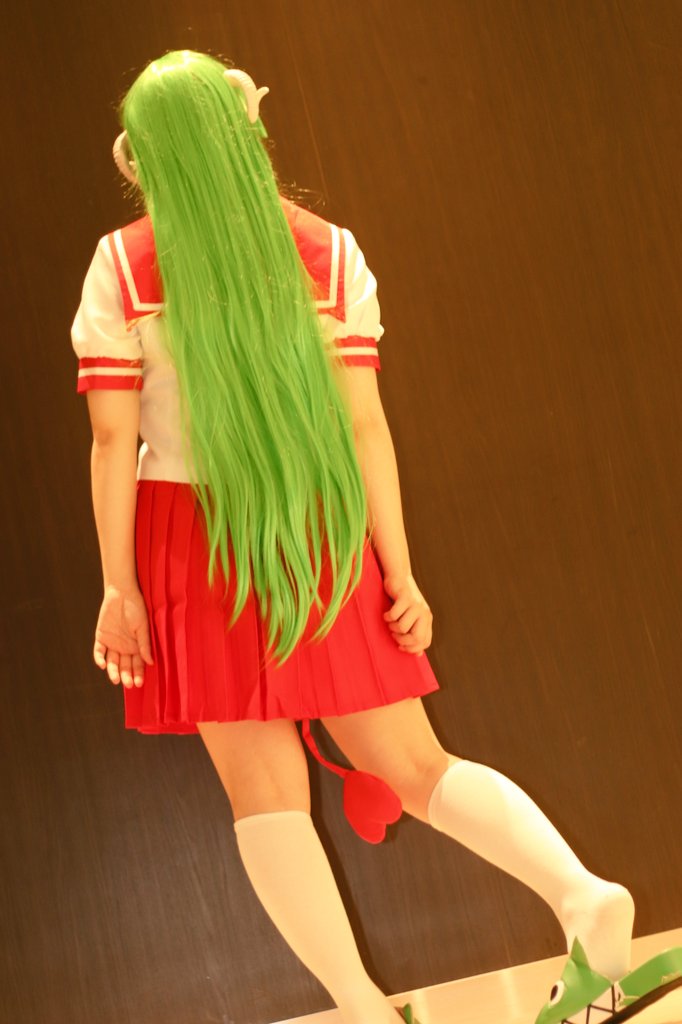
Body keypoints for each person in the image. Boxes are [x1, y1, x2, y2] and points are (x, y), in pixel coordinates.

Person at [71, 49, 642, 1024]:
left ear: (146, 156)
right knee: (416, 767)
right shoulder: (329, 253)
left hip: (186, 541)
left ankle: (362, 1009)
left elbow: (113, 439)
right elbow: (366, 427)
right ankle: (582, 898)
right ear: (249, 132)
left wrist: (118, 587)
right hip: (318, 527)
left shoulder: (123, 266)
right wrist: (397, 570)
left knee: (264, 793)